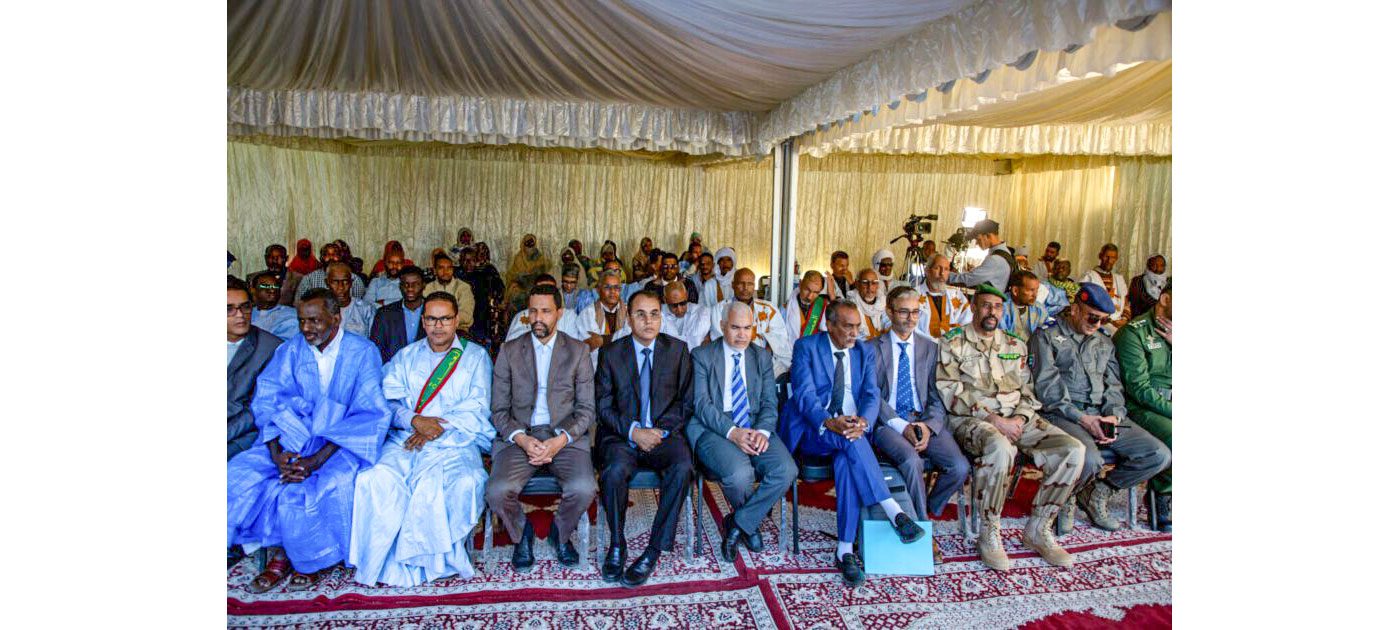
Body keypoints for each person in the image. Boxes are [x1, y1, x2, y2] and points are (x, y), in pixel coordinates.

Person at [227, 289, 391, 592]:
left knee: (308, 491)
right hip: (288, 441)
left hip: (340, 446)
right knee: (239, 474)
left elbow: (369, 413)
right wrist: (277, 455)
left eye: (315, 321)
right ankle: (275, 549)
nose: (306, 328)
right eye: (302, 320)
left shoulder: (362, 351)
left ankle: (301, 560)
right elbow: (267, 402)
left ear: (336, 318)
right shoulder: (290, 350)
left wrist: (315, 460)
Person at [348, 292, 494, 587]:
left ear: (456, 320)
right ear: (423, 322)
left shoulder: (476, 357)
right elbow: (386, 402)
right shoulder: (406, 357)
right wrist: (415, 421)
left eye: (445, 319)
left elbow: (478, 407)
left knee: (462, 482)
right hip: (407, 439)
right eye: (431, 319)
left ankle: (434, 561)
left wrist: (434, 427)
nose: (438, 326)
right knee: (374, 478)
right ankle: (381, 562)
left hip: (455, 440)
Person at [935, 284, 1085, 571]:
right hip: (972, 420)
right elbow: (950, 391)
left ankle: (1039, 529)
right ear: (973, 307)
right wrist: (994, 419)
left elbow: (1028, 391)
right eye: (985, 305)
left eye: (997, 306)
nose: (991, 312)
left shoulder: (1015, 345)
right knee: (1000, 446)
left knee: (1072, 450)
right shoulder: (952, 342)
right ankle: (989, 532)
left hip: (1016, 418)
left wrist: (1021, 419)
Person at [779, 300, 927, 588]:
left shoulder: (863, 350)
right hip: (815, 428)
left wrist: (864, 422)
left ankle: (844, 550)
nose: (854, 333)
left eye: (858, 326)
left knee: (847, 458)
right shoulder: (807, 347)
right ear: (829, 325)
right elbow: (805, 395)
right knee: (849, 440)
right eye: (848, 327)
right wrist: (828, 421)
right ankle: (893, 510)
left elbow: (872, 394)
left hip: (853, 430)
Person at [1029, 282, 1170, 535]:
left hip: (1101, 414)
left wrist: (1114, 415)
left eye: (1103, 320)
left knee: (1158, 454)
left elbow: (1114, 385)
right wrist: (1084, 419)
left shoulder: (1104, 341)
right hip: (1063, 414)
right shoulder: (1046, 336)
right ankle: (1067, 496)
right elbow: (1048, 391)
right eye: (1093, 317)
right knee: (1089, 459)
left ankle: (1098, 492)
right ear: (1075, 309)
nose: (1097, 325)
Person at [485, 284, 598, 572]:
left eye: (545, 311)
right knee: (497, 491)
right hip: (520, 435)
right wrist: (522, 439)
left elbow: (587, 409)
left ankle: (560, 533)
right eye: (533, 311)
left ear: (559, 313)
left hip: (565, 436)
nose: (537, 318)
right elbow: (498, 410)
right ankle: (522, 533)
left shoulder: (578, 351)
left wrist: (560, 440)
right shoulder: (509, 351)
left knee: (584, 488)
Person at [594, 291, 695, 586]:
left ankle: (653, 550)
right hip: (622, 435)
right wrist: (634, 432)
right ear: (628, 318)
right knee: (613, 471)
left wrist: (659, 432)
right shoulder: (611, 353)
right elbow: (603, 407)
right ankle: (617, 544)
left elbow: (685, 402)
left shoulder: (678, 350)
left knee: (683, 466)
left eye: (654, 314)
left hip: (663, 434)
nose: (648, 321)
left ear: (661, 317)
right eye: (640, 314)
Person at [688, 301, 797, 562]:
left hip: (755, 424)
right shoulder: (702, 355)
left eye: (747, 328)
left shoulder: (761, 357)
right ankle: (751, 524)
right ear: (722, 326)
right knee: (739, 475)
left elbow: (770, 402)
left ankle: (738, 523)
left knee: (786, 470)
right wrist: (733, 432)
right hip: (714, 428)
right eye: (735, 327)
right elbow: (701, 405)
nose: (742, 335)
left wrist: (762, 431)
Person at [869, 287, 970, 521]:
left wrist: (928, 426)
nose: (911, 318)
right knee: (912, 461)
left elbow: (937, 394)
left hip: (923, 420)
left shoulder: (930, 347)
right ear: (889, 312)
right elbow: (871, 395)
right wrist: (901, 425)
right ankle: (922, 525)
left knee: (959, 467)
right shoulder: (871, 348)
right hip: (889, 422)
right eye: (903, 312)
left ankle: (929, 508)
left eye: (915, 312)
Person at [1114, 280, 1172, 532]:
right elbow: (1139, 389)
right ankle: (1162, 495)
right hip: (1140, 408)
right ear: (1165, 300)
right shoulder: (1133, 333)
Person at [228, 277, 283, 459]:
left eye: (245, 307)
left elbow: (258, 408)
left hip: (241, 435)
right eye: (229, 309)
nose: (240, 315)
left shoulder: (271, 348)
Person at [709, 268, 793, 377]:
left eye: (750, 284)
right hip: (732, 363)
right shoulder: (720, 309)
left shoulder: (769, 308)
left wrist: (765, 352)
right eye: (741, 283)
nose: (745, 288)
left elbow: (780, 338)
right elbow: (719, 338)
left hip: (765, 363)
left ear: (754, 286)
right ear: (733, 285)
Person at [369, 265, 428, 363]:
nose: (410, 288)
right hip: (392, 368)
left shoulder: (433, 311)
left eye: (415, 284)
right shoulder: (384, 314)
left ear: (423, 285)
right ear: (400, 286)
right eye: (406, 284)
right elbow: (376, 349)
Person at [914, 255, 971, 339]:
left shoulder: (956, 295)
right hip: (922, 344)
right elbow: (910, 328)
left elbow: (967, 323)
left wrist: (952, 339)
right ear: (927, 271)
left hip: (953, 344)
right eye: (937, 268)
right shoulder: (913, 296)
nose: (942, 273)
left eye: (946, 269)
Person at [948, 219, 1015, 291]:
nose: (976, 243)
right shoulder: (1005, 252)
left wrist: (945, 275)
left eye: (978, 239)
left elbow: (968, 280)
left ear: (988, 236)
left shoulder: (995, 259)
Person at [1078, 243, 1131, 332]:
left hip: (1120, 322)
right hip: (1097, 322)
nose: (1109, 261)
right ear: (1100, 256)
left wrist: (1124, 319)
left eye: (1113, 258)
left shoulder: (1119, 279)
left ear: (1116, 259)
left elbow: (1126, 303)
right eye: (1107, 257)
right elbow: (1083, 304)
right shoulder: (1089, 276)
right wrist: (1108, 320)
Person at [425, 252, 477, 334]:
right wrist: (449, 317)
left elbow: (466, 316)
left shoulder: (463, 287)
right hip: (433, 332)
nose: (446, 271)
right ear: (434, 270)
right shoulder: (427, 288)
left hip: (458, 331)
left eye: (449, 268)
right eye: (441, 268)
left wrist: (440, 318)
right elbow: (425, 315)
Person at [464, 243, 506, 346]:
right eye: (479, 253)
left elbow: (500, 287)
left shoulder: (489, 269)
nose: (482, 256)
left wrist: (495, 297)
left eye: (484, 253)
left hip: (486, 306)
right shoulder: (463, 272)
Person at [299, 243, 367, 301]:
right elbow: (300, 303)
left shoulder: (355, 280)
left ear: (340, 257)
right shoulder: (309, 279)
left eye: (335, 254)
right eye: (327, 254)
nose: (331, 257)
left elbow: (359, 305)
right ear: (321, 258)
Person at [326, 262, 377, 337]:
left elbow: (373, 340)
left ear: (351, 283)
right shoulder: (320, 310)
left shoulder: (366, 309)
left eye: (345, 282)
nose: (341, 287)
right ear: (327, 283)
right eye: (335, 282)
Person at [504, 234, 551, 313]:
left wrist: (536, 271)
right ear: (523, 245)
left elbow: (545, 269)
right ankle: (516, 317)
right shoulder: (518, 258)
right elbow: (512, 275)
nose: (529, 248)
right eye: (527, 244)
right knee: (514, 291)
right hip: (521, 286)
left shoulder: (539, 257)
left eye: (531, 245)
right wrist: (521, 276)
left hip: (535, 285)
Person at [1001, 270, 1055, 338]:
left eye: (1036, 290)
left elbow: (1048, 330)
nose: (1035, 295)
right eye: (1031, 290)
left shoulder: (1038, 308)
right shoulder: (1000, 308)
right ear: (1015, 291)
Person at [249, 270, 300, 341]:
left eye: (275, 286)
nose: (272, 290)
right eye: (265, 286)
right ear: (252, 290)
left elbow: (284, 344)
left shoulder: (290, 315)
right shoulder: (246, 312)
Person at [784, 270, 828, 341]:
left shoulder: (822, 306)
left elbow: (825, 333)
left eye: (816, 292)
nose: (809, 297)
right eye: (807, 290)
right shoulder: (785, 308)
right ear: (800, 284)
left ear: (821, 290)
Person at [852, 269, 888, 341]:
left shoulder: (883, 302)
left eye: (874, 283)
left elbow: (889, 327)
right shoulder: (851, 306)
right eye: (865, 283)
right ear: (857, 284)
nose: (870, 287)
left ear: (878, 285)